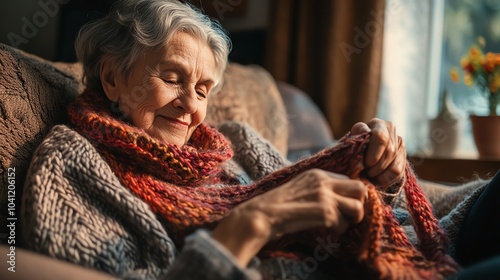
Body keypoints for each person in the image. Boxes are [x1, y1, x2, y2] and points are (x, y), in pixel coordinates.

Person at [19, 0, 497, 279]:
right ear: (111, 78)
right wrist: (253, 222)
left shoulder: (236, 142)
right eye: (171, 77)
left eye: (203, 89)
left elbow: (353, 222)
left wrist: (381, 177)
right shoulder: (73, 162)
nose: (191, 105)